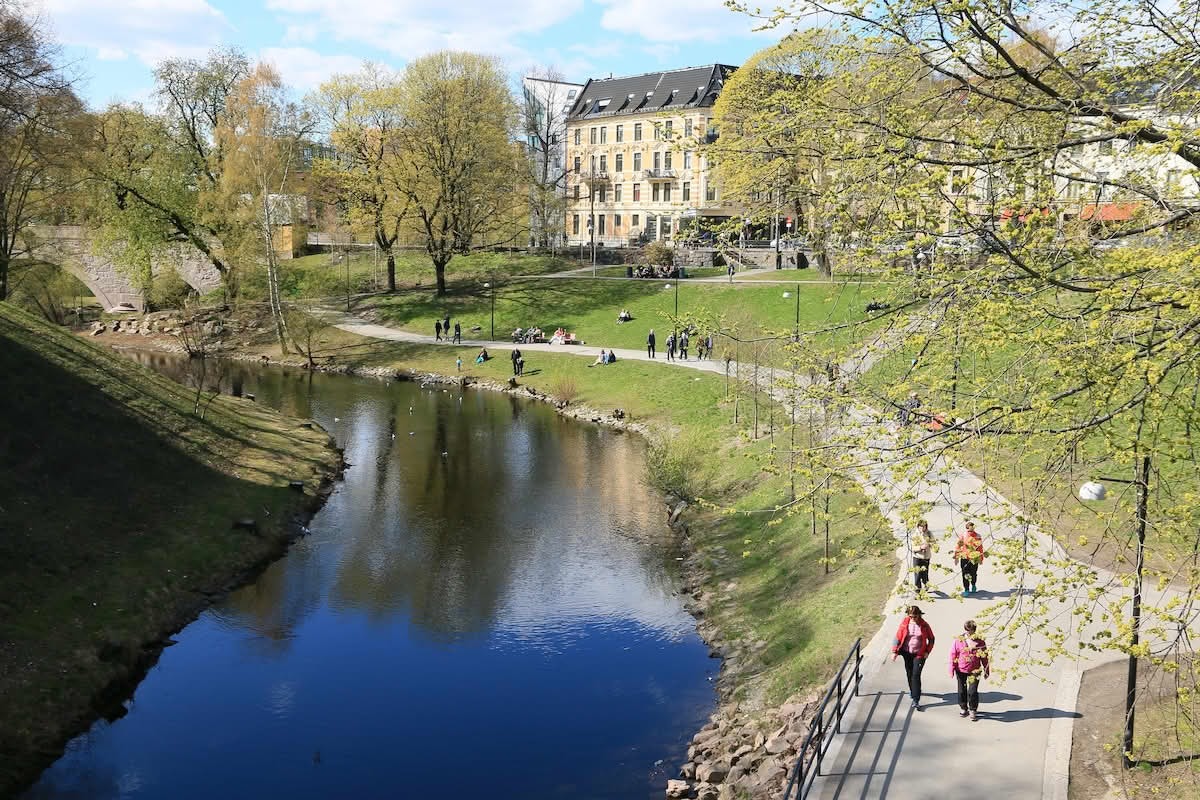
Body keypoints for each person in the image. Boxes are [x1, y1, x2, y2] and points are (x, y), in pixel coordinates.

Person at [891, 605, 935, 710]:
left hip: (919, 654)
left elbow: (932, 639)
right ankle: (913, 690)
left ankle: (916, 700)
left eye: (915, 616)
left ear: (919, 615)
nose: (913, 618)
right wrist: (894, 651)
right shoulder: (905, 623)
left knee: (916, 675)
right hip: (907, 652)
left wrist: (927, 652)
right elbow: (897, 637)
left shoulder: (924, 625)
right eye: (910, 616)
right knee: (909, 673)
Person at [949, 620, 990, 721]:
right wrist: (952, 669)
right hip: (961, 669)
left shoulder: (980, 641)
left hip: (975, 670)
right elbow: (953, 654)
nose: (970, 633)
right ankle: (963, 707)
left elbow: (984, 657)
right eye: (968, 631)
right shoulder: (959, 640)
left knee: (972, 691)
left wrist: (986, 669)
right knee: (962, 690)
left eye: (971, 631)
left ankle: (973, 709)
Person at [954, 521, 986, 595]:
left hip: (974, 558)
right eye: (969, 529)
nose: (970, 531)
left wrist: (981, 558)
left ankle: (973, 584)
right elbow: (958, 546)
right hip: (964, 557)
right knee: (965, 573)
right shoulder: (963, 535)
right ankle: (966, 589)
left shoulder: (978, 536)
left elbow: (980, 548)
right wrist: (956, 557)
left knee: (973, 573)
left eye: (972, 529)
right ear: (967, 528)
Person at [911, 520, 933, 592]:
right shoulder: (915, 535)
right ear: (918, 527)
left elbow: (934, 543)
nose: (922, 528)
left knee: (924, 573)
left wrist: (929, 545)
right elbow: (912, 548)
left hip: (926, 557)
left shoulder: (929, 533)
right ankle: (918, 589)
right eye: (921, 527)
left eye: (924, 527)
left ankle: (926, 583)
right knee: (917, 573)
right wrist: (920, 548)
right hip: (917, 557)